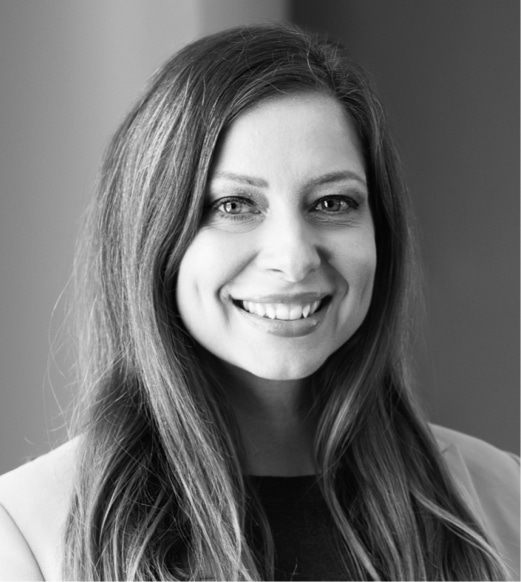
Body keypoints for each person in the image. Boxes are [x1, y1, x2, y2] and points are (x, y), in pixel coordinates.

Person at [0, 23, 518, 581]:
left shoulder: (503, 499)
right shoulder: (25, 529)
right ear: (150, 236)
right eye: (234, 205)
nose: (294, 258)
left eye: (333, 201)